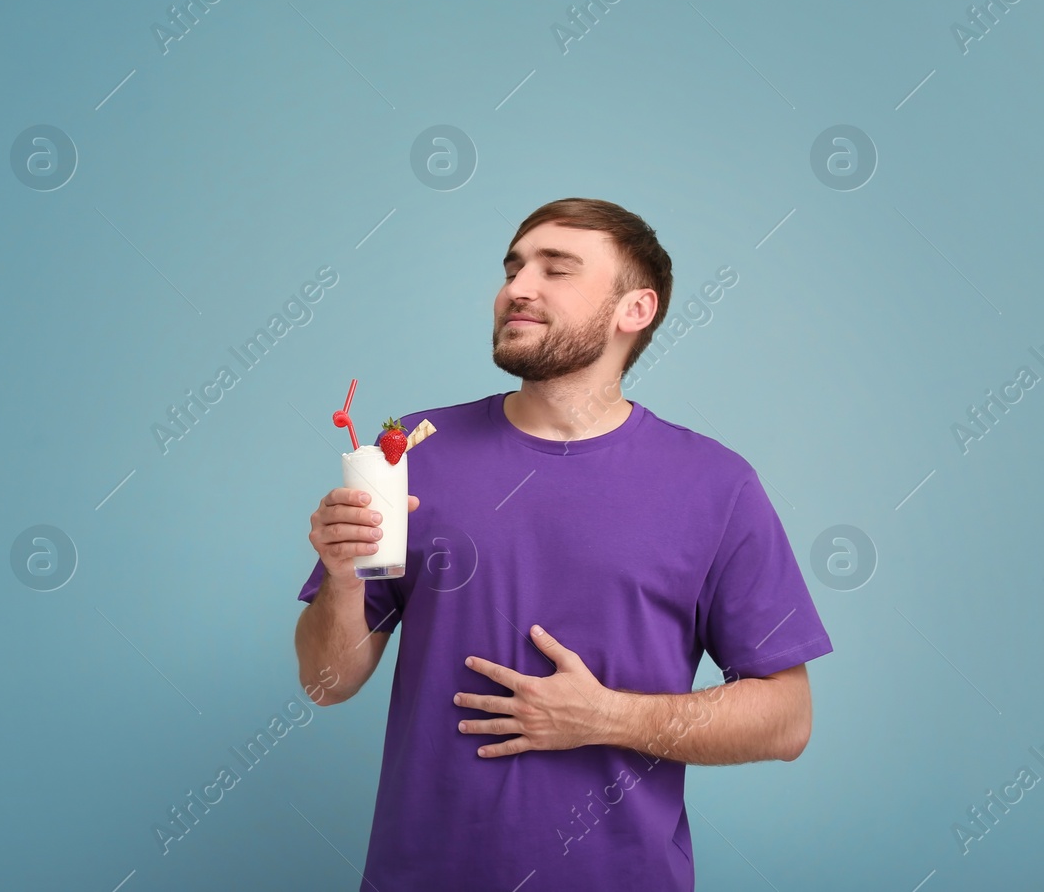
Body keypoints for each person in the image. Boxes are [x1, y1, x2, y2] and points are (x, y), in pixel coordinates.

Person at [295, 197, 832, 890]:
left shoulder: (715, 485)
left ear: (633, 309)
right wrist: (341, 577)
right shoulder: (411, 452)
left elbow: (787, 718)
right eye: (514, 267)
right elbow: (324, 681)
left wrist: (607, 715)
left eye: (557, 269)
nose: (518, 287)